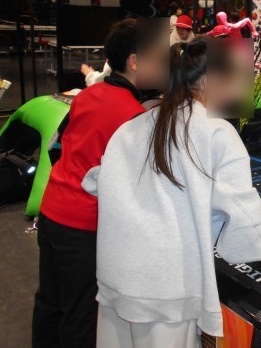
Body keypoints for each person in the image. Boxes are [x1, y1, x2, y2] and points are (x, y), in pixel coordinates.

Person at [83, 38, 261, 347]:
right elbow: (243, 226)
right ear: (213, 80)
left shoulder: (136, 123)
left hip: (116, 280)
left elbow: (95, 181)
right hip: (166, 294)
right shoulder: (218, 132)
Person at [32, 19, 167, 348]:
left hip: (52, 212)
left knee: (50, 301)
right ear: (134, 61)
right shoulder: (134, 116)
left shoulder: (87, 96)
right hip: (84, 227)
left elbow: (54, 148)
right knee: (81, 314)